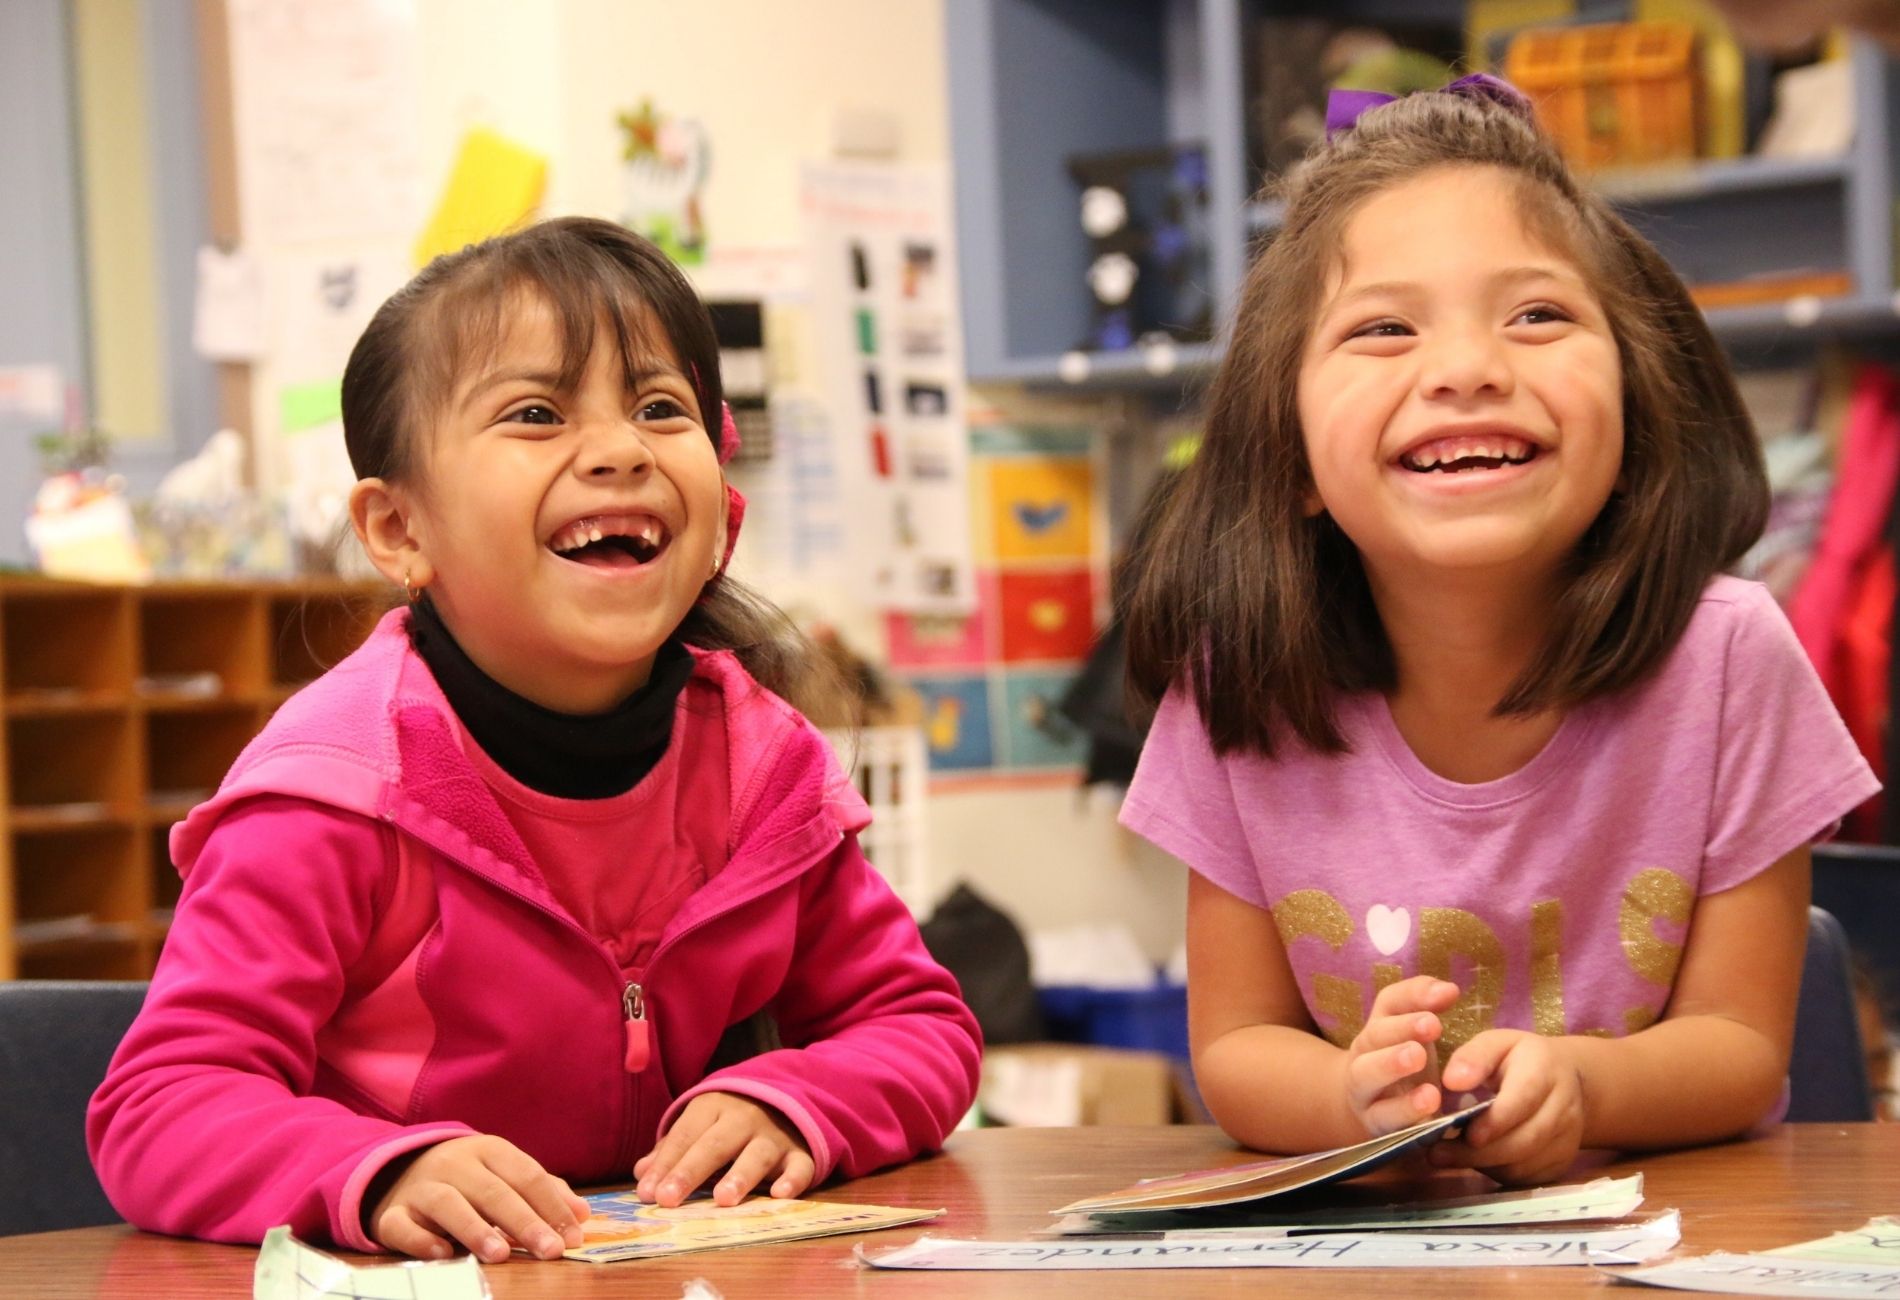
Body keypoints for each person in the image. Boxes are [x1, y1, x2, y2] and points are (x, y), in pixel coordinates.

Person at [88, 217, 981, 1261]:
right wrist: (375, 1173)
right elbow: (160, 1104)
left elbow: (920, 1025)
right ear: (397, 531)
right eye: (535, 413)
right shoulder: (331, 789)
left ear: (721, 517)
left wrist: (793, 1100)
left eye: (660, 406)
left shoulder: (762, 767)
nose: (619, 450)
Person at [1118, 76, 1878, 1185]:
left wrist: (1582, 1083)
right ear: (1288, 457)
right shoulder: (1238, 684)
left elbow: (1745, 1049)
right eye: (1384, 328)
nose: (1469, 367)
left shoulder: (1729, 655)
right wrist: (1348, 1099)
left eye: (1537, 315)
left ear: (1636, 398)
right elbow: (1234, 1050)